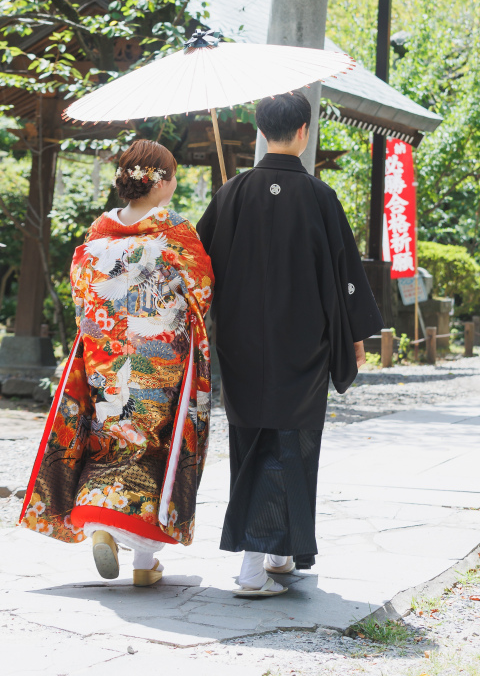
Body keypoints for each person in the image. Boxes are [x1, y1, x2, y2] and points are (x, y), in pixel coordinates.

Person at [197, 90, 383, 597]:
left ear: (260, 132)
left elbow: (198, 272)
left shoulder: (231, 194)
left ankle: (279, 553)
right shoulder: (320, 197)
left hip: (241, 346)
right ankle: (252, 568)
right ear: (304, 133)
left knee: (252, 440)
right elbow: (346, 277)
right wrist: (353, 338)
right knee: (291, 446)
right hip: (303, 347)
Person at [20, 138, 214, 586]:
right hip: (157, 357)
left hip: (104, 353)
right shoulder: (174, 232)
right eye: (173, 174)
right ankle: (141, 557)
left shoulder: (98, 234)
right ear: (161, 182)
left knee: (110, 434)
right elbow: (201, 286)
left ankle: (112, 532)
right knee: (152, 440)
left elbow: (81, 290)